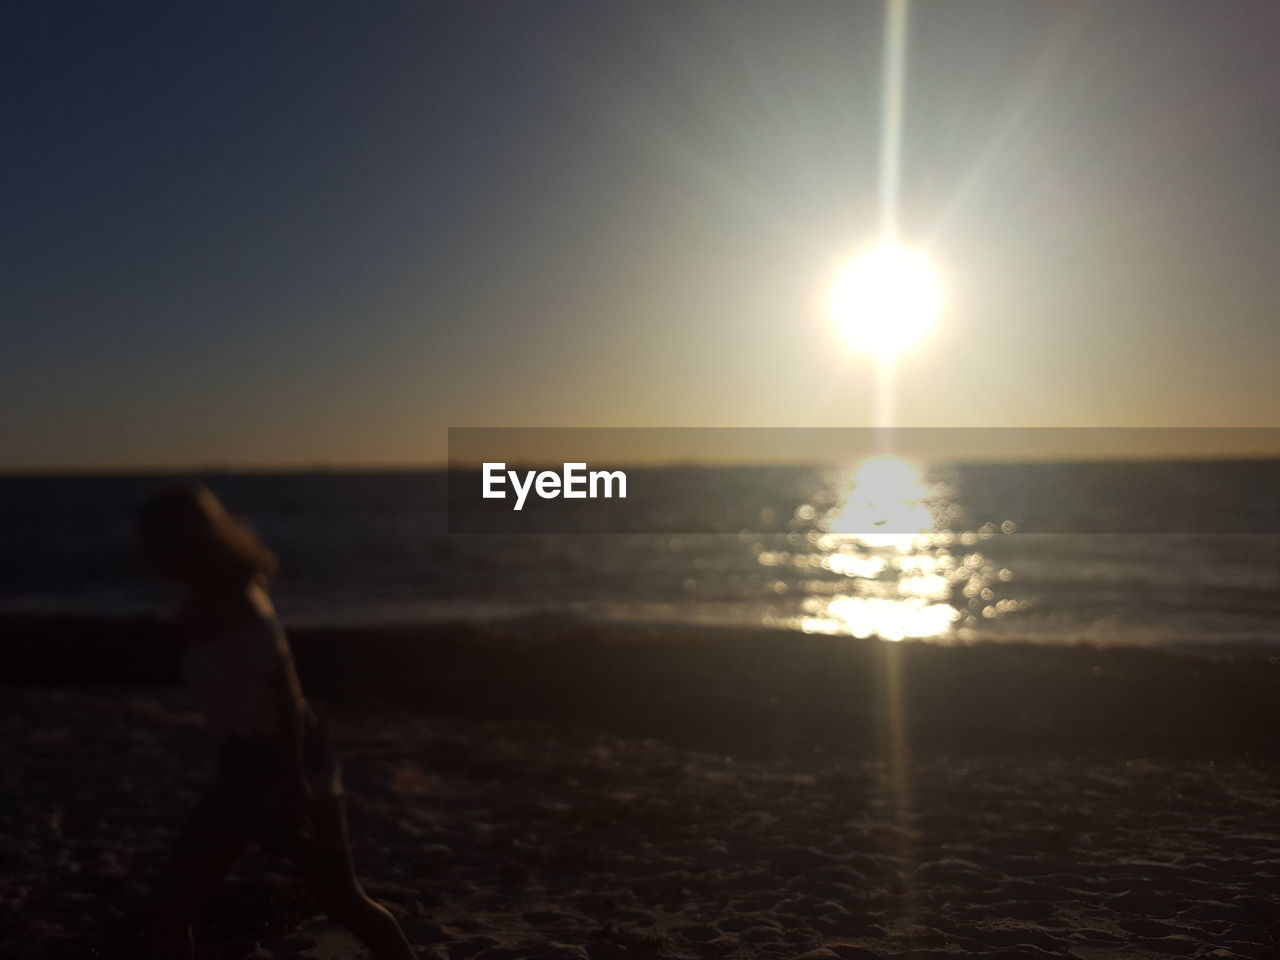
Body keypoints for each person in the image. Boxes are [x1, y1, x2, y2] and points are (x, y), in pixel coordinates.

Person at [136, 486, 416, 960]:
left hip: (289, 764)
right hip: (241, 762)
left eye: (156, 541)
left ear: (187, 541)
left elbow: (287, 695)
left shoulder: (242, 599)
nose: (147, 553)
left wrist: (289, 784)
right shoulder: (198, 599)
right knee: (170, 911)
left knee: (340, 896)